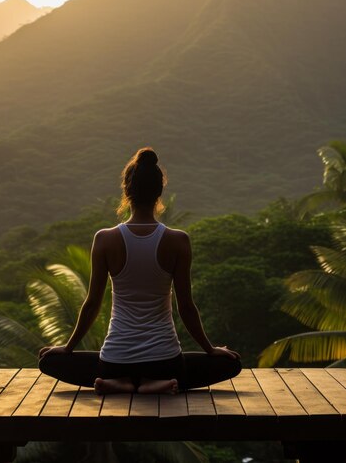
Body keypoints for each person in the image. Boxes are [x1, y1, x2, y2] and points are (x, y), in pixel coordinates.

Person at [39, 147, 241, 394]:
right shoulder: (178, 241)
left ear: (127, 190)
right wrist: (210, 350)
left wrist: (68, 348)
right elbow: (186, 307)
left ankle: (122, 382)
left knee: (49, 360)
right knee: (231, 363)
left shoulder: (104, 239)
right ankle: (152, 383)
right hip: (166, 362)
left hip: (114, 362)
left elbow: (92, 303)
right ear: (159, 192)